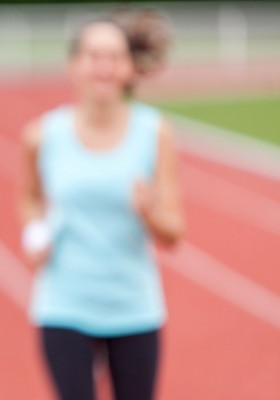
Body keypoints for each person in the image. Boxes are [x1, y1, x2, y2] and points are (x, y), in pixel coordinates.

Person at [19, 10, 183, 400]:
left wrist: (150, 211)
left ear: (130, 67)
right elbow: (28, 197)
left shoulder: (154, 132)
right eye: (94, 56)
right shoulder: (42, 135)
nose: (104, 67)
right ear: (73, 65)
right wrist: (35, 233)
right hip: (63, 304)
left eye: (115, 57)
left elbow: (174, 232)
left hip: (135, 307)